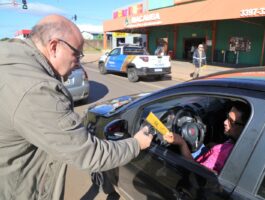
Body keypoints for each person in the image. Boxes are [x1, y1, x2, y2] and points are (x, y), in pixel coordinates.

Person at [0, 14, 153, 200]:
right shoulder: (37, 90)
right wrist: (136, 144)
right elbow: (90, 154)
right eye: (76, 54)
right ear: (54, 47)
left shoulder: (11, 59)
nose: (78, 63)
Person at [163, 102, 250, 174]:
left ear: (244, 127)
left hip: (196, 163)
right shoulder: (238, 140)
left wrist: (182, 143)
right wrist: (215, 146)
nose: (225, 122)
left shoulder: (224, 155)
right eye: (227, 117)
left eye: (231, 121)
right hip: (206, 153)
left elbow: (198, 172)